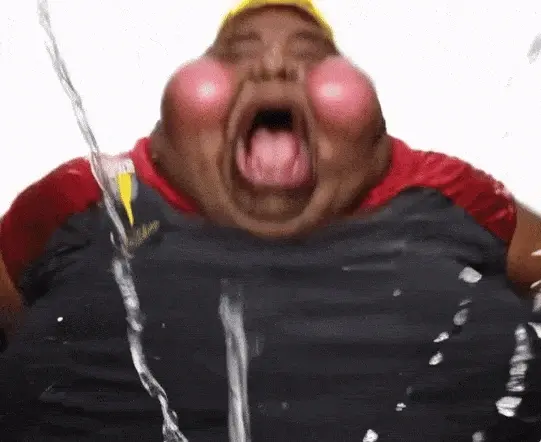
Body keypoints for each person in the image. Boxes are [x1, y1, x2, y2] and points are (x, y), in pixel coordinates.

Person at [1, 1, 540, 440]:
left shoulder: (441, 188)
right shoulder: (96, 191)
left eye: (311, 54)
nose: (273, 66)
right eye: (236, 52)